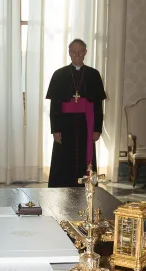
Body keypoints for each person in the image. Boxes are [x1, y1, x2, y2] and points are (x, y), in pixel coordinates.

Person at [46, 39, 106, 188]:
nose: (77, 54)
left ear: (85, 53)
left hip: (87, 124)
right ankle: (62, 188)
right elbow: (54, 106)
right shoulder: (59, 75)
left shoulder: (93, 74)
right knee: (63, 159)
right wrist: (55, 129)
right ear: (69, 53)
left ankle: (86, 189)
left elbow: (98, 105)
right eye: (73, 51)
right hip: (65, 125)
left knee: (86, 160)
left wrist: (97, 128)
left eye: (80, 51)